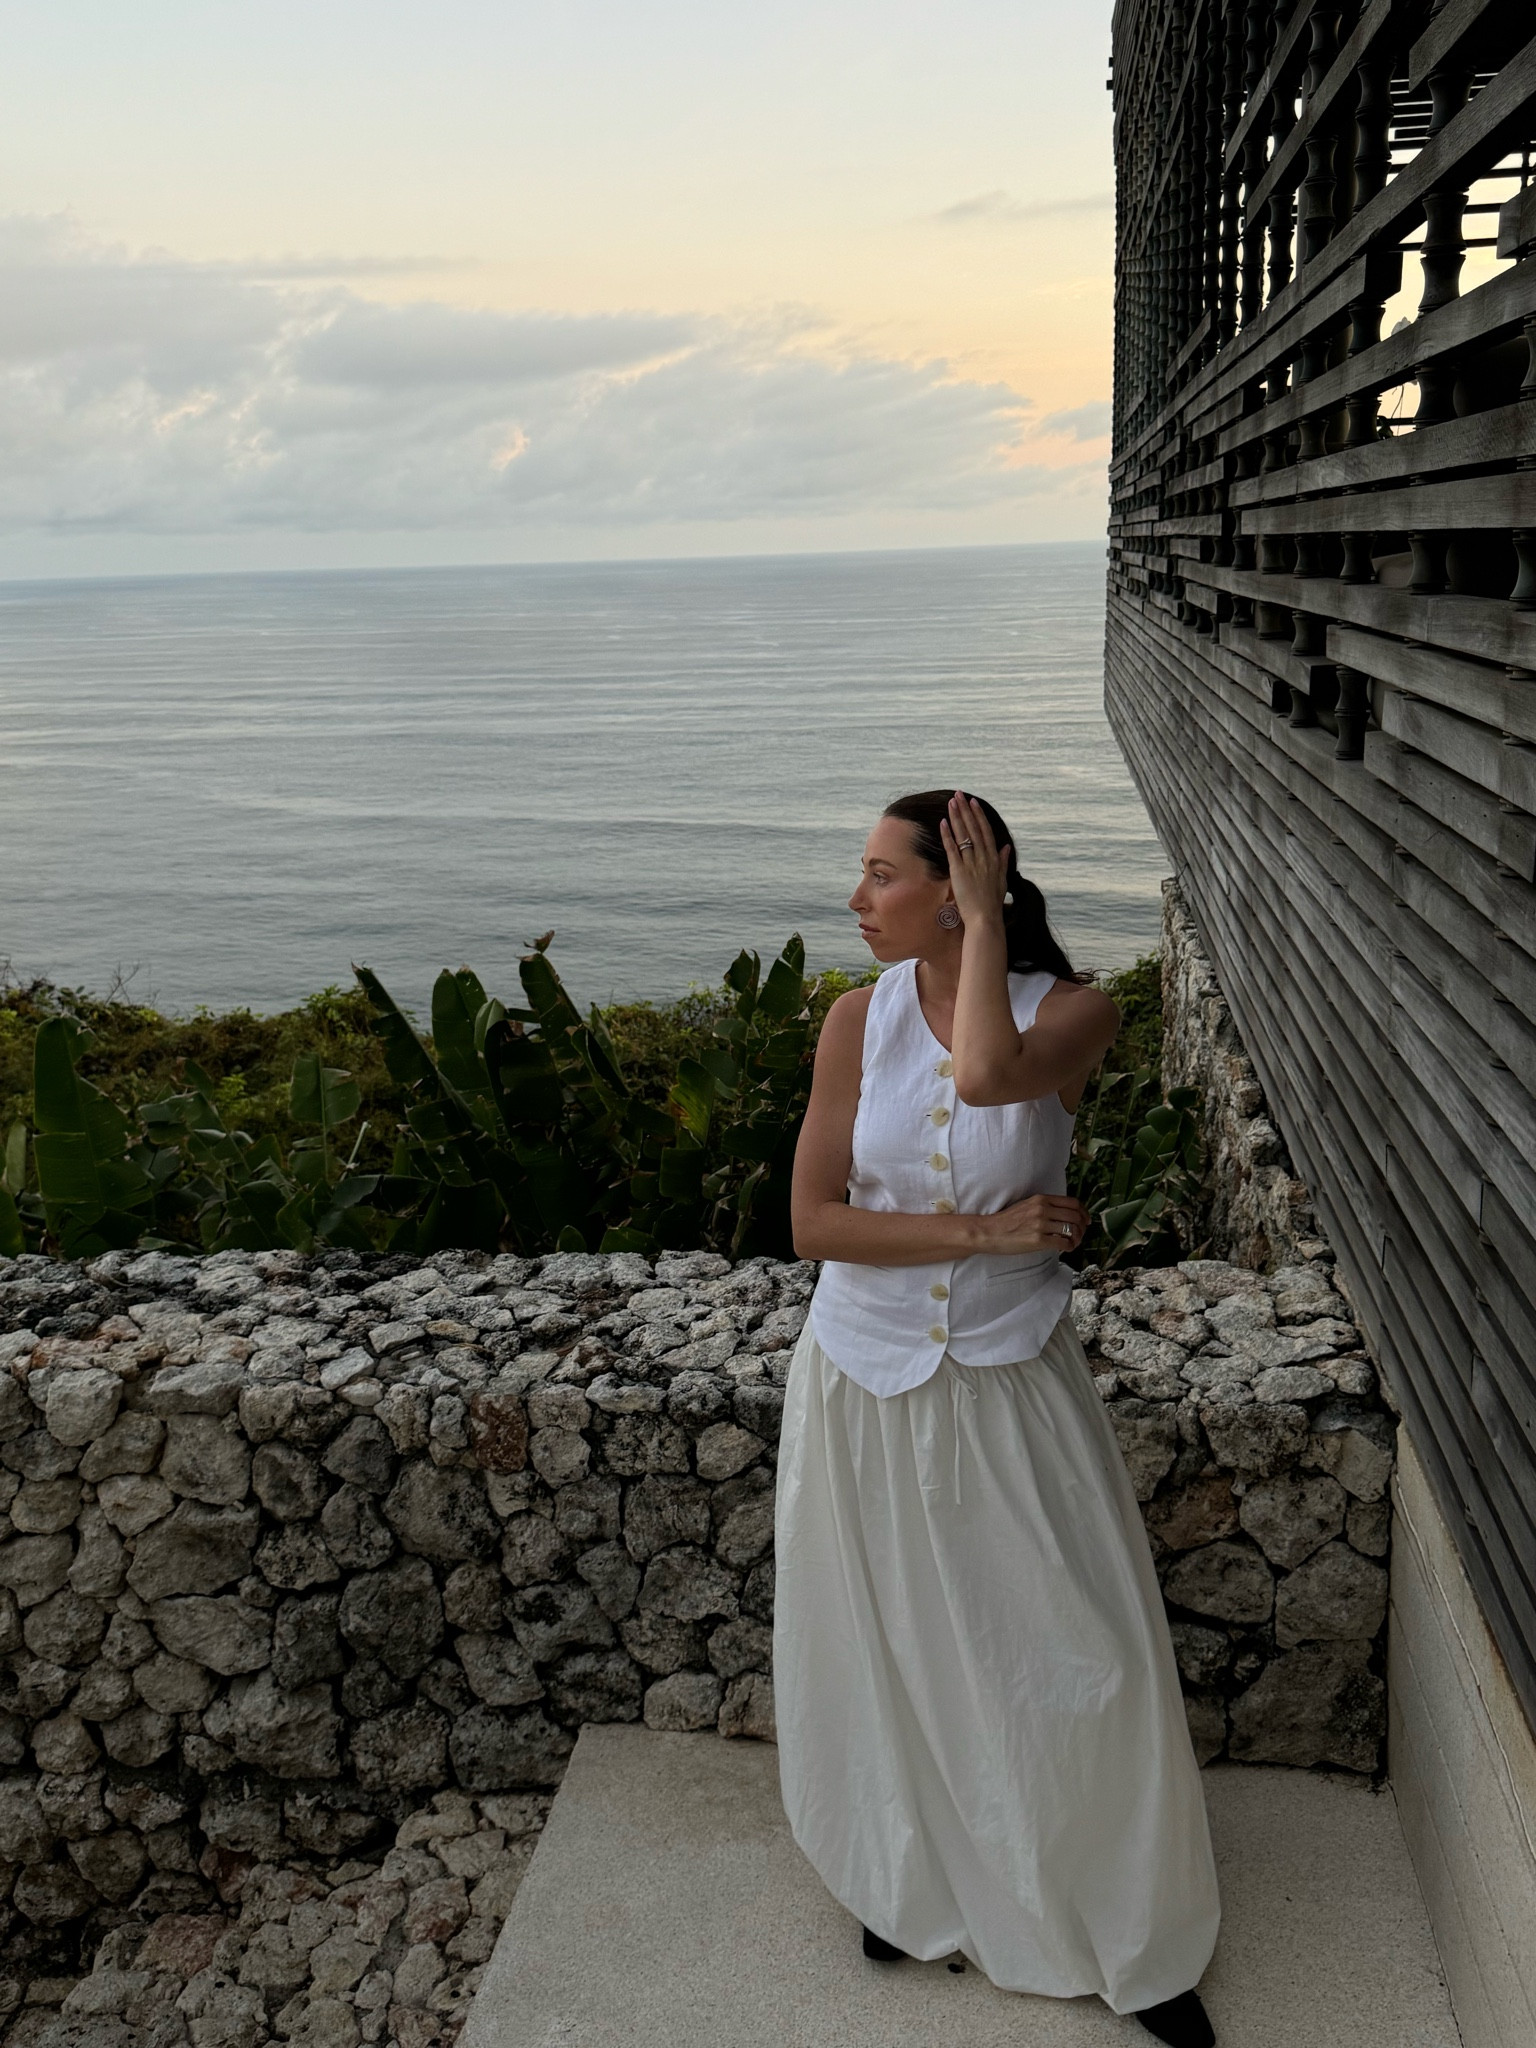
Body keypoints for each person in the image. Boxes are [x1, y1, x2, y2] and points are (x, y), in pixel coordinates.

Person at [775, 788, 1220, 2048]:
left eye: (879, 874)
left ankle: (1130, 1932)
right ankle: (912, 1885)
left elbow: (982, 1077)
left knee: (1077, 1654)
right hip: (858, 1373)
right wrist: (984, 1230)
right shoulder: (853, 1021)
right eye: (858, 874)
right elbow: (815, 1222)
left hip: (1005, 1375)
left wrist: (979, 927)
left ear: (962, 878)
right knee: (890, 1643)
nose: (856, 898)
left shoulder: (1074, 1011)